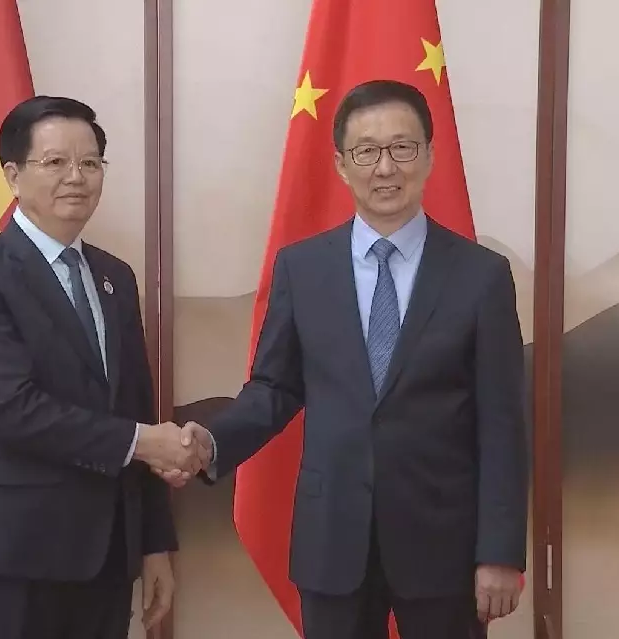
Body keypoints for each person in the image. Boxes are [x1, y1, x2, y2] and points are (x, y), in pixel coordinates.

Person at [168, 80, 529, 639]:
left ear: (429, 156)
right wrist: (213, 443)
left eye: (402, 147)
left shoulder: (481, 276)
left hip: (445, 545)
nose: (385, 167)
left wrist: (500, 551)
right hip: (333, 539)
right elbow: (274, 388)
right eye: (366, 151)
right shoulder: (302, 268)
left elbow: (502, 424)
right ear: (340, 164)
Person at [0, 95, 201, 639]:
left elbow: (136, 407)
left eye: (90, 162)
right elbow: (12, 409)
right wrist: (143, 442)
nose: (76, 177)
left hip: (105, 557)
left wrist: (153, 544)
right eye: (55, 162)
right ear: (13, 176)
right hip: (9, 555)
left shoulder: (115, 278)